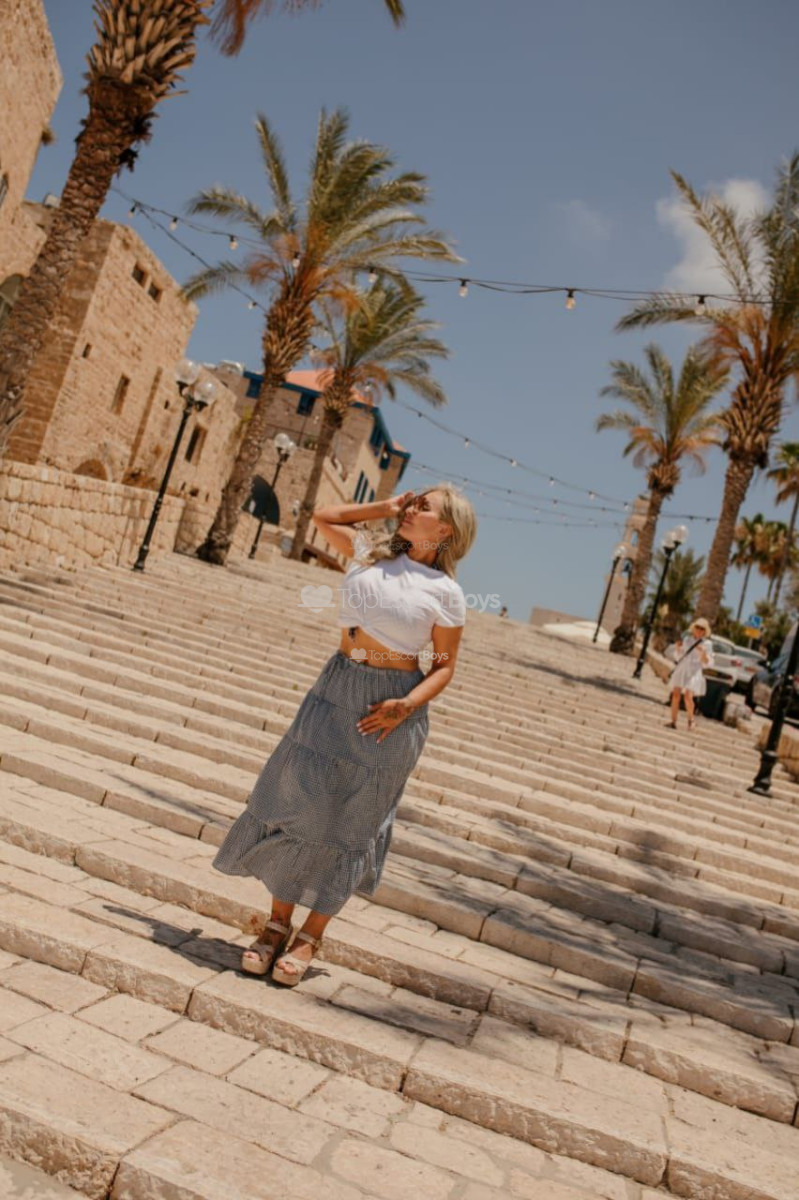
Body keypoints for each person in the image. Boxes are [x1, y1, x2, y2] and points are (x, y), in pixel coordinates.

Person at [212, 483, 477, 986]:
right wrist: (386, 507)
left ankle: (310, 935)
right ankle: (276, 924)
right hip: (335, 686)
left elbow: (444, 667)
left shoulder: (446, 593)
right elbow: (323, 516)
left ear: (445, 529)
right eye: (412, 501)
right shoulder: (371, 553)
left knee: (352, 824)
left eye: (423, 506)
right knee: (297, 801)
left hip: (389, 706)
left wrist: (407, 705)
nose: (412, 507)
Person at [667, 616, 713, 730]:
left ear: (705, 631)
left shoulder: (707, 644)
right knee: (676, 694)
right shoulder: (687, 639)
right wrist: (677, 648)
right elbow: (679, 657)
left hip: (694, 671)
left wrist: (703, 653)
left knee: (688, 696)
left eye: (702, 628)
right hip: (682, 669)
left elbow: (707, 663)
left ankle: (691, 720)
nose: (699, 630)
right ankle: (673, 721)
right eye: (697, 627)